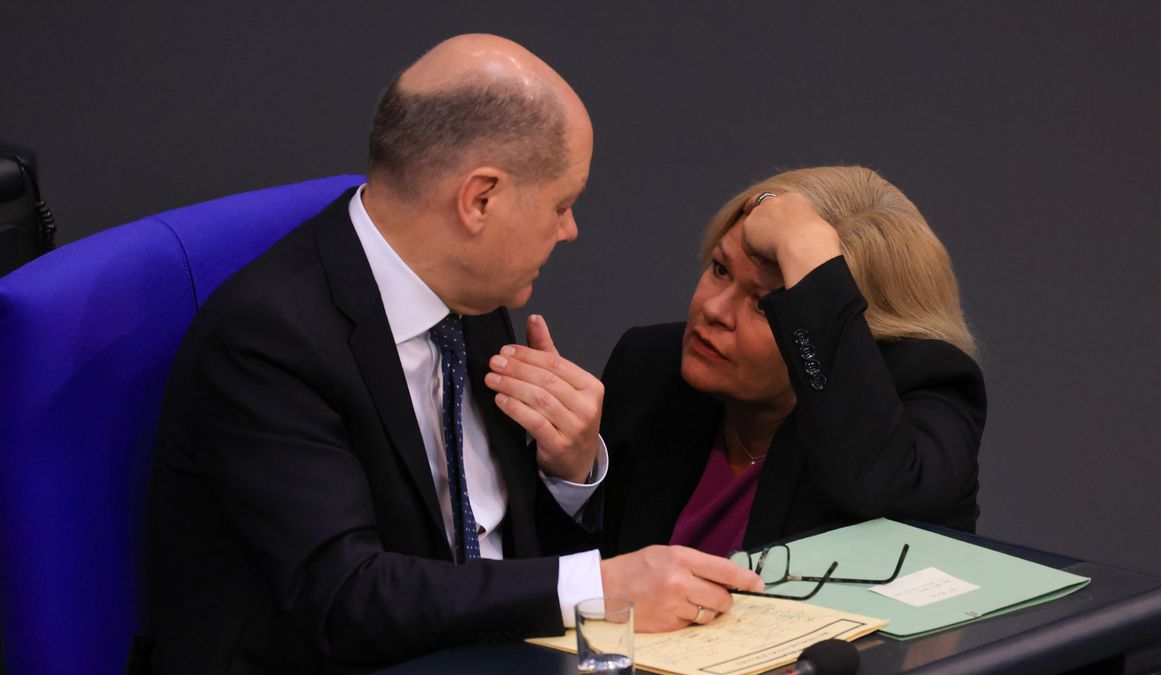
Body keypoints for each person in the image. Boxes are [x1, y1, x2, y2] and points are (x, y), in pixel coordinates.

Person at [144, 34, 761, 674]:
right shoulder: (268, 340)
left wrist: (565, 471)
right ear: (480, 199)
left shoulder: (470, 290)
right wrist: (596, 588)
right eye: (561, 204)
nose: (569, 229)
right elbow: (345, 597)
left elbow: (498, 560)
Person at [552, 166, 987, 559]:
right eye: (720, 270)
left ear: (857, 336)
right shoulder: (651, 367)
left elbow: (879, 490)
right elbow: (582, 583)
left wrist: (808, 254)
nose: (715, 311)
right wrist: (572, 480)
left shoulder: (922, 399)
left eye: (764, 304)